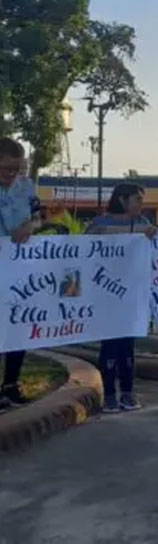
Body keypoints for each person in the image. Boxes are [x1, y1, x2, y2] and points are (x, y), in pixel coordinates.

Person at [86, 183, 158, 413]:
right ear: (122, 200)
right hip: (106, 294)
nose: (141, 204)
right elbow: (84, 252)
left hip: (132, 296)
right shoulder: (99, 225)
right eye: (137, 199)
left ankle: (127, 392)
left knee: (127, 347)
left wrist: (153, 237)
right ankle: (109, 394)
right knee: (110, 346)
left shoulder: (143, 225)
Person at [0, 137, 36, 410]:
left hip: (18, 268)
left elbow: (40, 215)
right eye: (4, 168)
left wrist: (30, 226)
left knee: (17, 325)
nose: (10, 174)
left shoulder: (26, 188)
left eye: (15, 169)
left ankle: (11, 385)